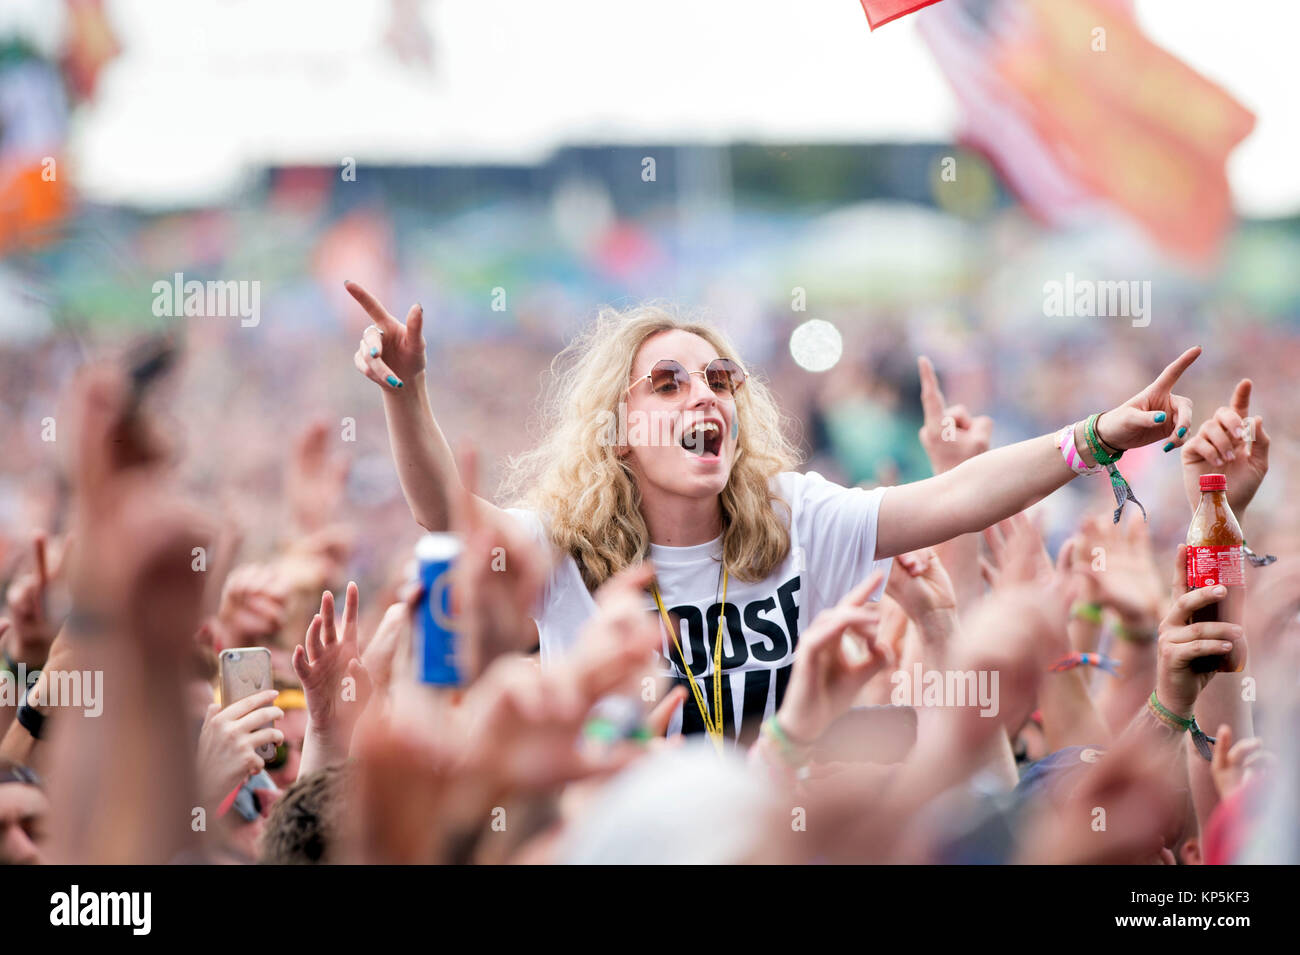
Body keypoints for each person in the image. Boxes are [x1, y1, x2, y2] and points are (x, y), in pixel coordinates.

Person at [346, 281, 1200, 746]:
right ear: (615, 432)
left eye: (721, 380)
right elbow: (445, 515)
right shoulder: (560, 546)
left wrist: (1097, 435)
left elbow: (952, 498)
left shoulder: (794, 516)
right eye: (669, 382)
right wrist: (406, 390)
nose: (705, 395)